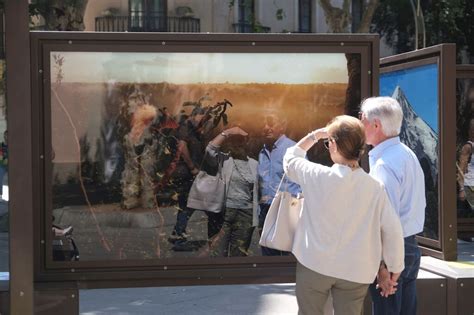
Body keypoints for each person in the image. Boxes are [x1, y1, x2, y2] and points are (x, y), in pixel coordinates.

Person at [283, 115, 404, 315]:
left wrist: (314, 135)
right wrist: (394, 268)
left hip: (315, 263)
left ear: (333, 145)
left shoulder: (316, 175)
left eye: (328, 141)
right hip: (357, 270)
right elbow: (392, 230)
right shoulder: (375, 188)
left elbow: (290, 158)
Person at [360, 96, 426, 315]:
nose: (360, 124)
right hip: (409, 247)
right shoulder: (406, 154)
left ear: (376, 125)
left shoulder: (384, 164)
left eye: (362, 119)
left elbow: (386, 221)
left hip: (392, 251)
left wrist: (383, 266)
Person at [169, 107, 223, 251]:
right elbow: (182, 146)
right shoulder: (185, 128)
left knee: (188, 207)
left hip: (191, 174)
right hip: (187, 174)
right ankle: (181, 237)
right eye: (202, 117)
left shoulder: (194, 129)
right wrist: (192, 167)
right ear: (195, 115)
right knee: (191, 206)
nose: (204, 121)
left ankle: (178, 235)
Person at [204, 126, 259, 257]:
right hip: (223, 214)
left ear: (246, 142)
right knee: (217, 254)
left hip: (246, 215)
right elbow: (209, 149)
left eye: (241, 140)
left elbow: (258, 191)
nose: (237, 143)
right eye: (234, 139)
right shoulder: (223, 160)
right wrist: (227, 132)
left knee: (238, 256)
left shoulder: (254, 164)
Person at [257, 112, 300, 256]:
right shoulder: (263, 151)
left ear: (282, 126)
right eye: (263, 124)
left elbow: (303, 182)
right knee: (269, 254)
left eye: (270, 123)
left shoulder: (293, 150)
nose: (266, 127)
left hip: (287, 209)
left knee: (289, 254)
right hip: (266, 209)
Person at [0, 130, 7, 198]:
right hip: (2, 165)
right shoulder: (1, 145)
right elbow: (0, 156)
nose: (6, 137)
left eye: (7, 135)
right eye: (5, 135)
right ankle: (0, 194)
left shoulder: (13, 145)